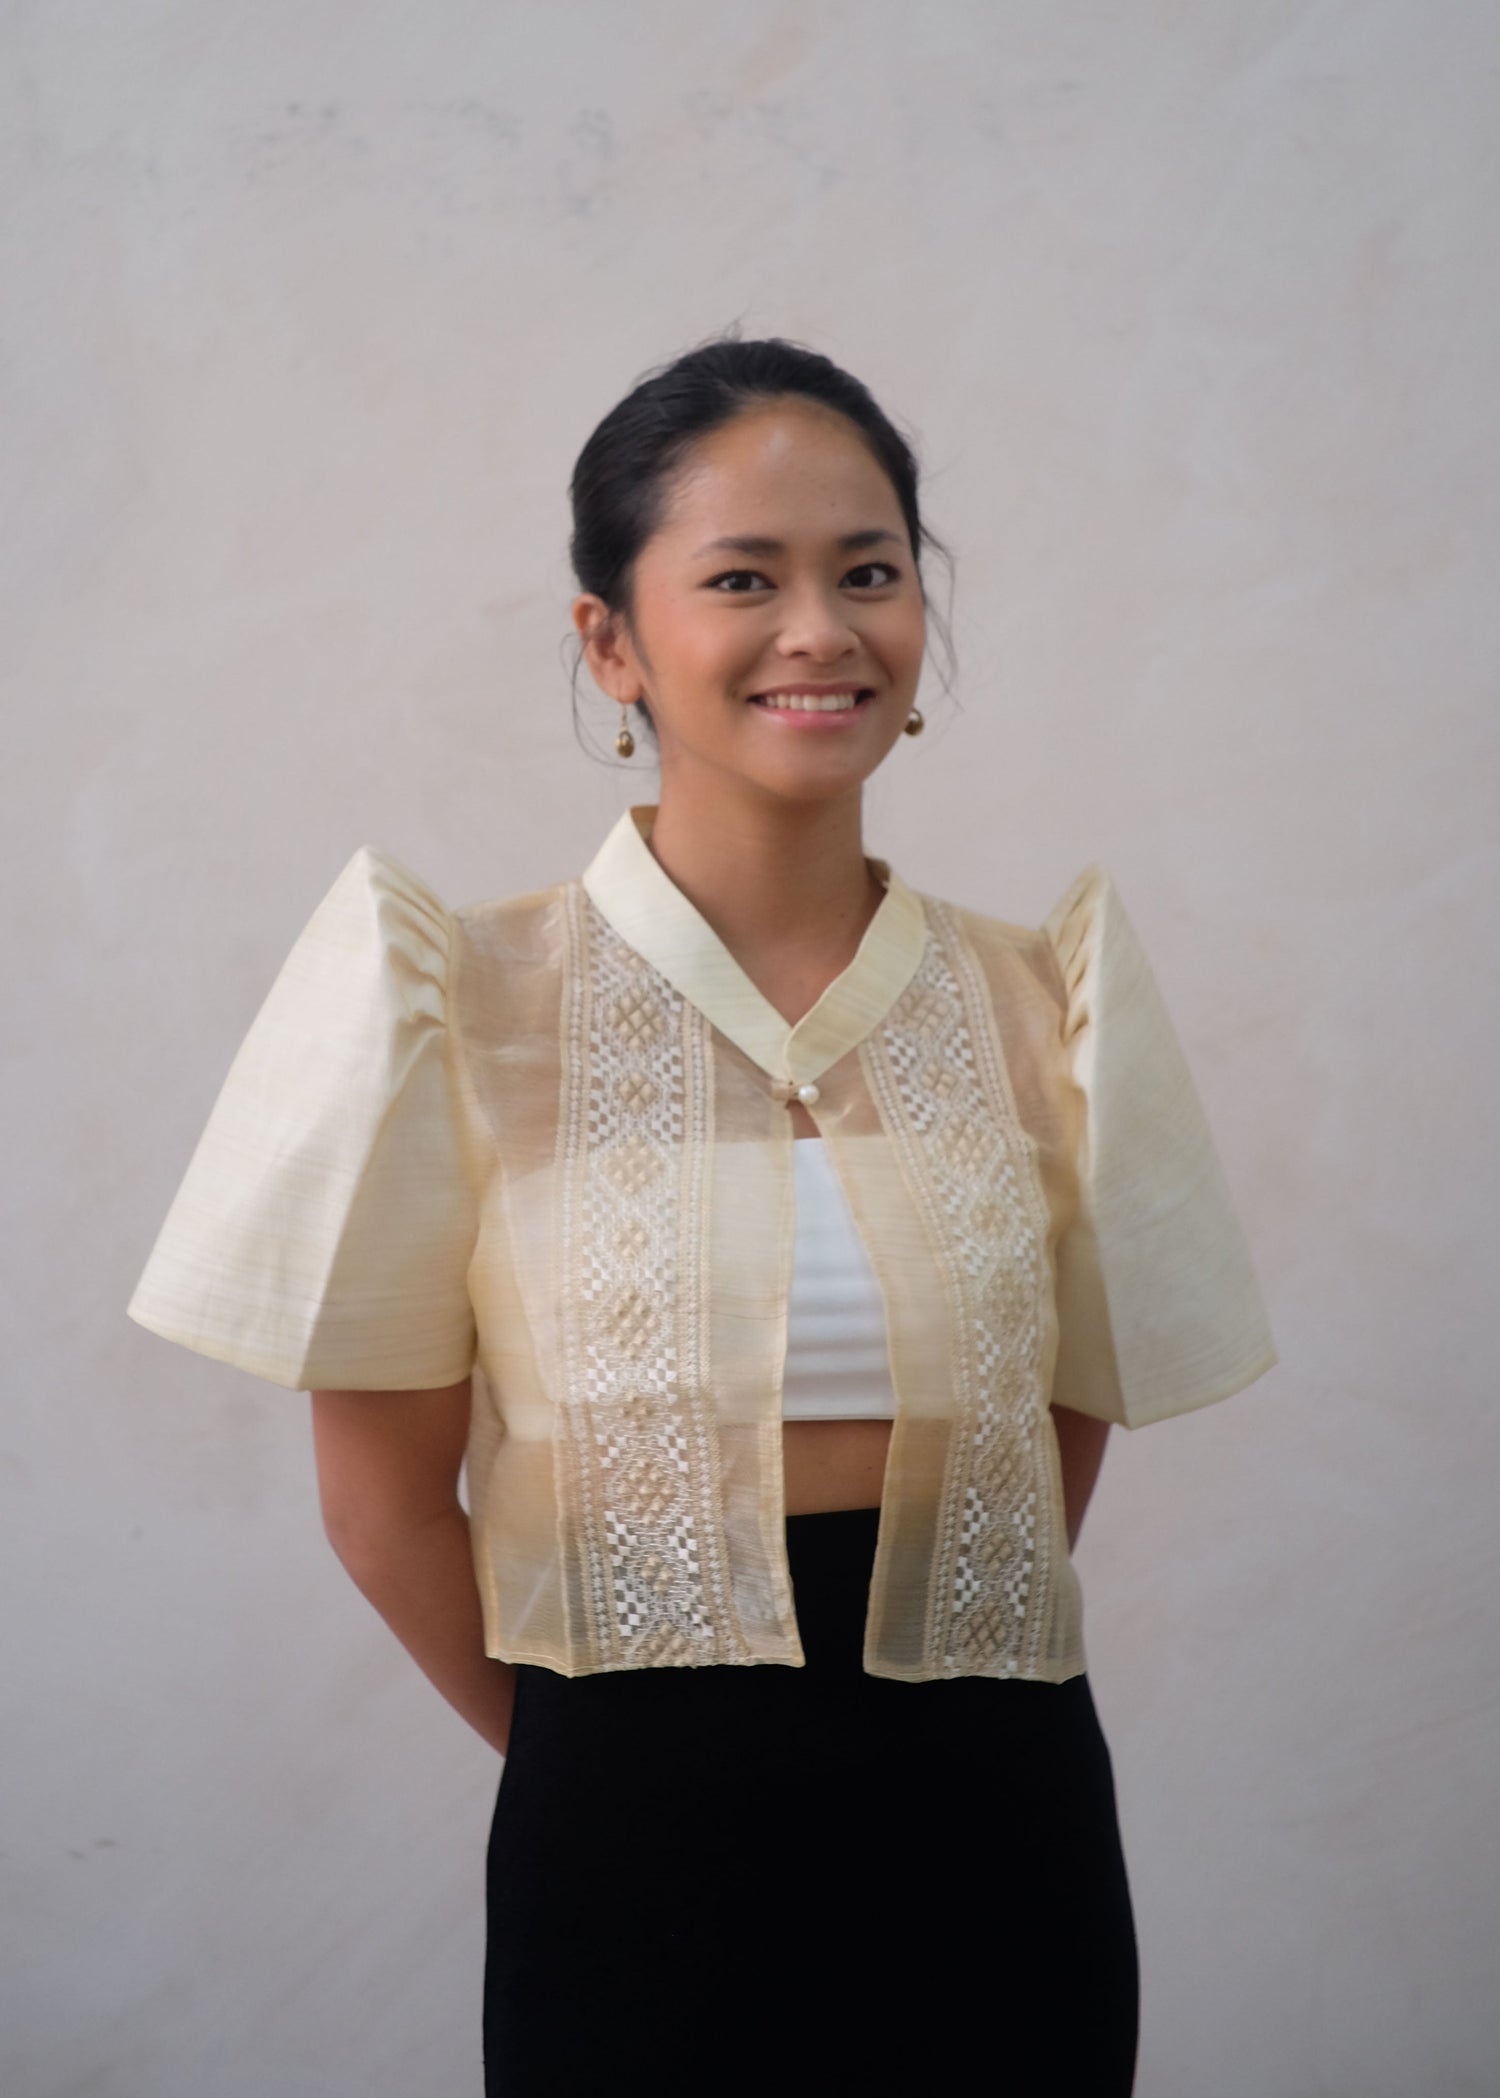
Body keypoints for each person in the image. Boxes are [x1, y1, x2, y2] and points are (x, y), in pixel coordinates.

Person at [127, 332, 1279, 2096]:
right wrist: (610, 1754)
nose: (821, 628)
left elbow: (1052, 1438)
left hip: (1002, 1828)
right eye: (744, 577)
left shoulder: (1043, 997)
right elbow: (378, 1505)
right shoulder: (465, 995)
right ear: (611, 642)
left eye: (868, 573)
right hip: (633, 1846)